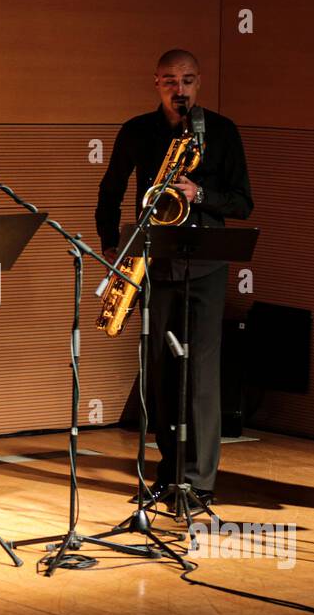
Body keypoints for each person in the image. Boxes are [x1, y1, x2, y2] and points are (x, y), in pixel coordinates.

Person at [95, 49, 253, 506]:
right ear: (156, 83)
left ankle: (199, 481)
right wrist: (110, 242)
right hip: (154, 260)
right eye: (169, 81)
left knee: (201, 374)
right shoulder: (137, 131)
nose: (178, 89)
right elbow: (110, 189)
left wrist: (198, 192)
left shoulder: (221, 132)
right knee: (162, 371)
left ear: (199, 82)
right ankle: (168, 471)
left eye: (186, 80)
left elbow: (243, 202)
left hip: (206, 263)